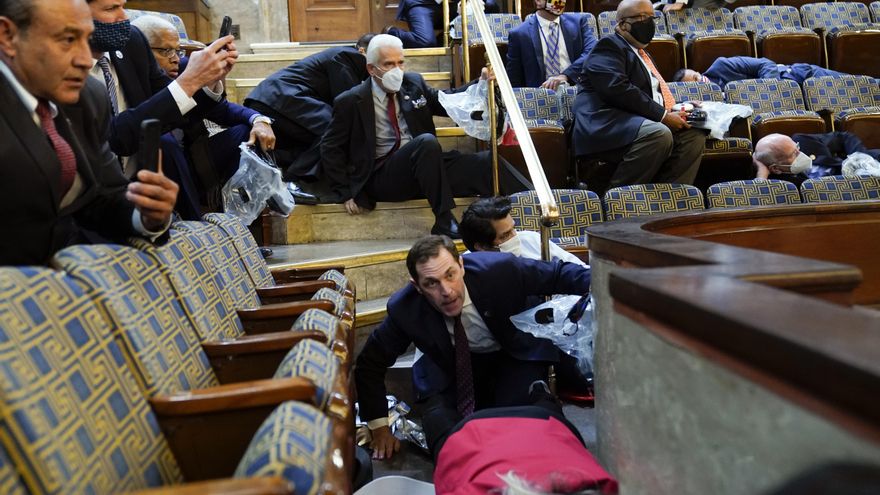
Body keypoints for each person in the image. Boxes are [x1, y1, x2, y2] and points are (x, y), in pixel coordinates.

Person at [355, 235, 591, 460]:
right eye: (431, 283)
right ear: (417, 286)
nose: (446, 291)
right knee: (446, 435)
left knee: (535, 421)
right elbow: (369, 363)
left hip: (509, 355)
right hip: (448, 368)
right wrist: (379, 427)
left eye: (450, 275)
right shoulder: (404, 309)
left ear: (462, 265)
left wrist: (614, 285)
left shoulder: (499, 270)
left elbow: (558, 274)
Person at [0, 0, 178, 265]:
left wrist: (146, 214)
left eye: (86, 39)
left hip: (71, 286)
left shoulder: (90, 98)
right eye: (68, 39)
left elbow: (104, 196)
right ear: (8, 36)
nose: (85, 60)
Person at [320, 34, 530, 238]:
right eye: (388, 64)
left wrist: (481, 82)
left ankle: (534, 206)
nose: (397, 70)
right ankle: (443, 218)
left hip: (427, 168)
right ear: (371, 68)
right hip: (384, 175)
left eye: (400, 63)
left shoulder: (413, 83)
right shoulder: (350, 101)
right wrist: (345, 191)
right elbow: (330, 147)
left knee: (486, 162)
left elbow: (447, 100)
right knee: (426, 143)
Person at [132, 15, 276, 216]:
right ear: (142, 51)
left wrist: (259, 120)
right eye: (166, 51)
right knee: (165, 143)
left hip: (195, 158)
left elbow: (222, 111)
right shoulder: (129, 75)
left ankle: (240, 218)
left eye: (178, 50)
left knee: (249, 133)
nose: (175, 57)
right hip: (156, 162)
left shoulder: (183, 67)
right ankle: (195, 224)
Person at [86, 0, 236, 174]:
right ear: (76, 12)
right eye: (111, 8)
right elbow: (112, 138)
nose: (124, 17)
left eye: (122, 6)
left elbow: (172, 105)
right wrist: (189, 81)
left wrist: (208, 79)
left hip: (142, 177)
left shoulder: (132, 41)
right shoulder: (63, 66)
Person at [572, 0, 705, 189]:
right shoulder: (608, 46)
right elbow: (617, 88)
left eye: (652, 17)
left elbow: (649, 96)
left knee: (693, 134)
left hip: (636, 121)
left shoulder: (643, 54)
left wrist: (678, 107)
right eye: (642, 17)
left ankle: (670, 199)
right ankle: (620, 199)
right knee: (659, 133)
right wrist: (664, 116)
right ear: (622, 24)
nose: (648, 22)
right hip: (605, 123)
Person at [433, 383, 618, 495]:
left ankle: (542, 394)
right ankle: (541, 394)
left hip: (545, 429)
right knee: (439, 419)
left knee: (438, 417)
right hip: (478, 436)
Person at [244, 34, 373, 184]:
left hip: (276, 99)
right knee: (337, 130)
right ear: (363, 51)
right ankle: (293, 180)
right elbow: (347, 105)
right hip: (281, 97)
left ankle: (271, 160)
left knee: (320, 141)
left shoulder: (347, 59)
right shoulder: (348, 56)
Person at [459, 196, 586, 266]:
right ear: (481, 246)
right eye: (505, 236)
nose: (515, 237)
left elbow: (580, 268)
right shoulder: (468, 268)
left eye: (513, 228)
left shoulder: (531, 239)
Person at [505, 0, 597, 89]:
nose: (560, 1)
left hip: (576, 90)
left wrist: (566, 75)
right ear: (538, 1)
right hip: (540, 97)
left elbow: (593, 51)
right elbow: (514, 80)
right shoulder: (519, 34)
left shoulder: (578, 22)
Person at [672, 57, 852, 88]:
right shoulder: (713, 104)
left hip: (798, 75)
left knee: (868, 86)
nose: (700, 82)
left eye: (697, 77)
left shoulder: (722, 66)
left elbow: (766, 64)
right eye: (695, 85)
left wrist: (770, 89)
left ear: (698, 71)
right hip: (791, 102)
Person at [388, 0, 500, 49]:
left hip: (455, 6)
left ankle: (444, 39)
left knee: (490, 5)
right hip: (423, 4)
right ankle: (391, 33)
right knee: (425, 41)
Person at [792, 131, 880, 178]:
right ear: (777, 168)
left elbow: (844, 137)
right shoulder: (788, 181)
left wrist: (860, 158)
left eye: (796, 149)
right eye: (790, 155)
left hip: (863, 169)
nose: (797, 153)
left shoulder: (802, 141)